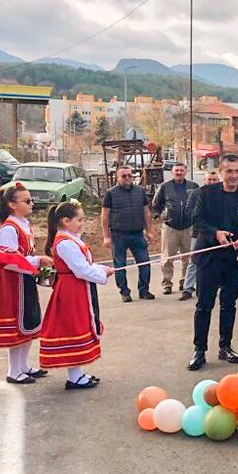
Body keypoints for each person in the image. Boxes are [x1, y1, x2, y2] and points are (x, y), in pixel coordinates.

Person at [188, 155, 238, 370]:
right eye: (229, 171)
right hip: (209, 258)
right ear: (221, 173)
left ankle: (225, 346)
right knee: (204, 305)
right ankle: (199, 350)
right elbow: (197, 220)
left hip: (235, 260)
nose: (234, 176)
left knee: (229, 304)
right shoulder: (204, 193)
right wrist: (216, 233)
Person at [39, 201, 116, 389]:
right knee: (74, 328)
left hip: (78, 288)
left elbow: (84, 265)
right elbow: (80, 269)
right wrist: (101, 274)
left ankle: (77, 373)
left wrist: (101, 268)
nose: (82, 223)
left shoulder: (71, 239)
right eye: (79, 220)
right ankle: (74, 377)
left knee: (79, 325)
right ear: (65, 221)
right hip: (71, 290)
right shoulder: (65, 243)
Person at [0, 183, 52, 384]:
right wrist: (36, 261)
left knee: (29, 322)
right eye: (26, 201)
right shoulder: (8, 228)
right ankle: (13, 370)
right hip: (12, 282)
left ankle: (23, 365)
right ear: (12, 204)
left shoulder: (24, 224)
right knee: (16, 324)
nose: (31, 203)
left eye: (31, 199)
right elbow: (7, 260)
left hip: (25, 278)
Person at [102, 165, 154, 302]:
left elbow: (146, 212)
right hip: (118, 235)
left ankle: (144, 290)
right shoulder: (110, 193)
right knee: (120, 265)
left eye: (130, 175)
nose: (127, 178)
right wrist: (106, 236)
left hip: (137, 234)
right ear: (117, 178)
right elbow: (105, 216)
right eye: (124, 176)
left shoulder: (140, 191)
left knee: (144, 263)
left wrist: (149, 231)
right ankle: (124, 292)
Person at [151, 162, 199, 296]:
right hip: (170, 227)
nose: (179, 173)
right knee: (167, 258)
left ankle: (185, 282)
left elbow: (199, 203)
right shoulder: (164, 187)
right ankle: (167, 283)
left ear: (186, 171)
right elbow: (156, 205)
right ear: (172, 172)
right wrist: (160, 216)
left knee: (188, 258)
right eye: (176, 170)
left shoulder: (193, 187)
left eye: (181, 170)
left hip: (189, 227)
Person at [182, 170, 220, 301]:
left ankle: (216, 286)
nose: (212, 182)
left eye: (214, 180)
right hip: (199, 233)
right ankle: (188, 288)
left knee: (217, 261)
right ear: (205, 180)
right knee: (194, 261)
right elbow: (189, 211)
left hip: (218, 234)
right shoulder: (196, 193)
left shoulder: (222, 194)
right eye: (209, 179)